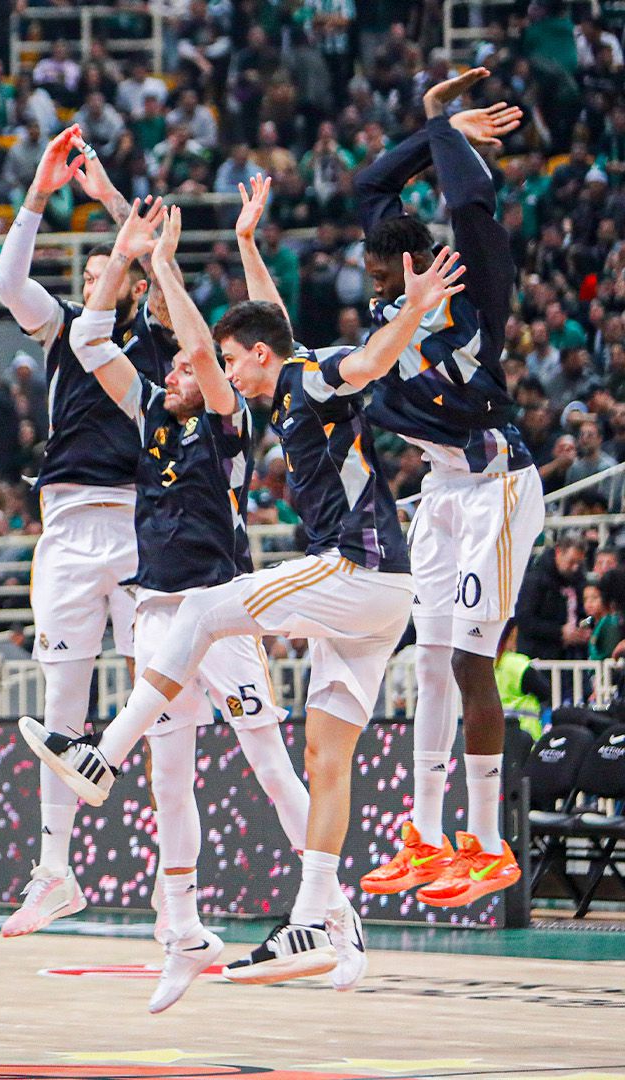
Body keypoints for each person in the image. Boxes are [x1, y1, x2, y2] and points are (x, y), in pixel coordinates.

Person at [23, 244, 465, 988]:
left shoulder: (270, 398)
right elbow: (273, 328)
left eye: (226, 361)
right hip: (365, 605)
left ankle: (103, 755)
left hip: (352, 570)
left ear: (249, 359)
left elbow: (349, 364)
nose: (214, 370)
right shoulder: (240, 393)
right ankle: (315, 923)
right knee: (325, 761)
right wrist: (254, 245)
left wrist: (416, 310)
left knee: (208, 628)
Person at [65, 199, 310, 1012]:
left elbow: (202, 348)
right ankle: (184, 931)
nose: (173, 374)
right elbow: (88, 341)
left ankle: (329, 912)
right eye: (165, 369)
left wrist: (164, 264)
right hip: (157, 612)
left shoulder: (226, 421)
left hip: (226, 611)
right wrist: (126, 255)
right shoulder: (146, 414)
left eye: (181, 370)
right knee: (171, 781)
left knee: (270, 767)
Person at [349, 68, 541, 910]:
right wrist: (432, 126)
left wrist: (445, 130)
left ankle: (491, 845)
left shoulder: (470, 289)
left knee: (470, 658)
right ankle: (426, 834)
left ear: (416, 263)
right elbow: (369, 184)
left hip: (499, 483)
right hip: (441, 490)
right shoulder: (390, 312)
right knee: (425, 659)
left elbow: (470, 206)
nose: (370, 283)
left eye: (382, 272)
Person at [0, 123, 176, 937]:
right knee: (59, 705)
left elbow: (159, 258)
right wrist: (38, 193)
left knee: (160, 701)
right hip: (65, 522)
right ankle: (53, 871)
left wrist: (114, 210)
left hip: (139, 519)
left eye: (115, 269)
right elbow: (6, 279)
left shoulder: (160, 331)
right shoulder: (64, 327)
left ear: (131, 283)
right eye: (93, 271)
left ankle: (178, 884)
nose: (102, 278)